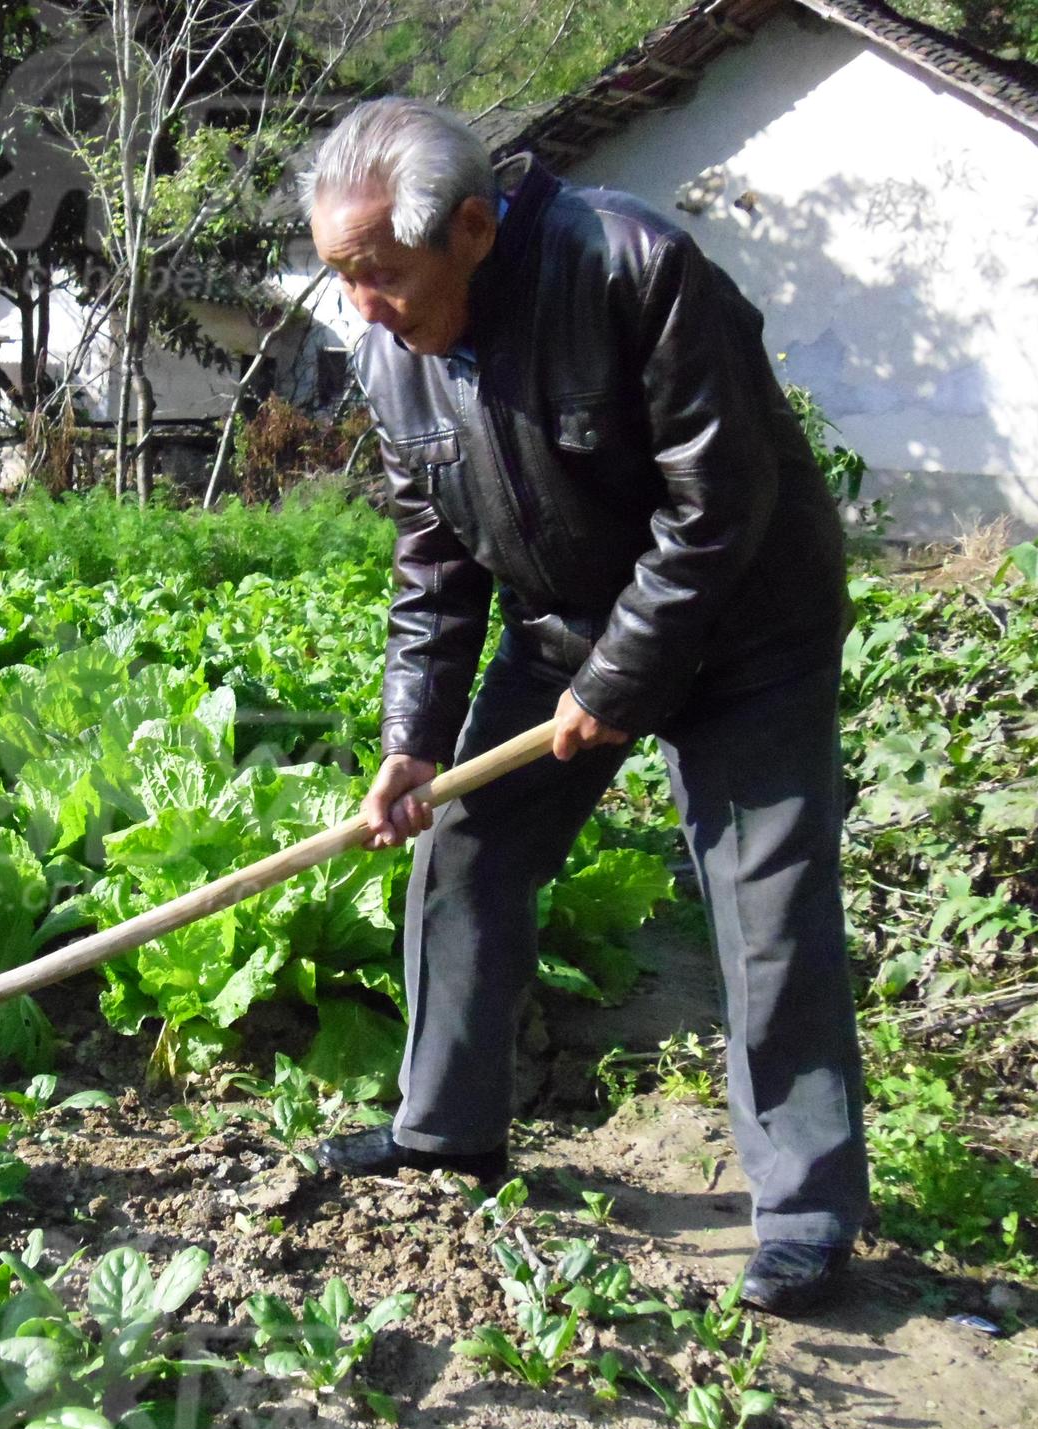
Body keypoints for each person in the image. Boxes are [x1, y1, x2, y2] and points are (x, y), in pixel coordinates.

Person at [301, 98, 869, 1317]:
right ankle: (445, 1132)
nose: (363, 304)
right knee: (464, 846)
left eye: (379, 272)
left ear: (469, 228)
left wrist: (618, 686)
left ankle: (805, 1215)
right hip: (563, 629)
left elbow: (716, 506)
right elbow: (432, 566)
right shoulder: (389, 353)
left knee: (764, 907)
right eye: (340, 276)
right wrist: (411, 743)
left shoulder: (629, 267)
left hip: (747, 629)